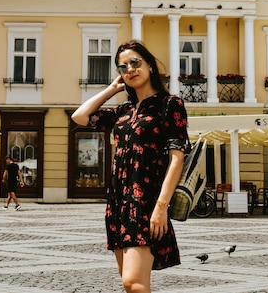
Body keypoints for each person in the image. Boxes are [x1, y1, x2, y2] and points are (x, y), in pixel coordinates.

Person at [71, 40, 188, 293]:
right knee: (132, 283)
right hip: (118, 202)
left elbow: (177, 158)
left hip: (147, 201)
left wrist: (161, 207)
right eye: (122, 67)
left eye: (135, 63)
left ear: (150, 66)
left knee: (133, 282)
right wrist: (111, 89)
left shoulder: (170, 105)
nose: (130, 70)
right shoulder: (122, 111)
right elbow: (79, 117)